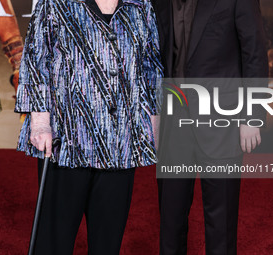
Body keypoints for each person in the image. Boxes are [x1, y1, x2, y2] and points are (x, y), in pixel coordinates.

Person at [14, 0, 163, 254]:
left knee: (107, 243)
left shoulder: (140, 5)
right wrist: (39, 121)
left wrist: (156, 128)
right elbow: (35, 60)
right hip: (66, 142)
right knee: (53, 242)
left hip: (120, 144)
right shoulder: (55, 3)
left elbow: (151, 66)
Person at [153, 0, 268, 254]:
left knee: (221, 226)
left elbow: (254, 51)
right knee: (170, 223)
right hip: (174, 123)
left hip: (222, 123)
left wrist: (252, 116)